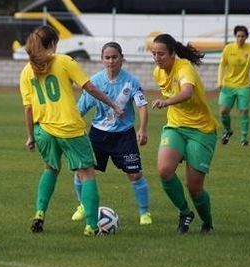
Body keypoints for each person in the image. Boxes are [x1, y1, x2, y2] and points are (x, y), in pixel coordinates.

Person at [20, 25, 124, 237]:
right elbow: (91, 88)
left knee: (50, 169)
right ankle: (92, 227)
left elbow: (28, 108)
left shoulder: (26, 71)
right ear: (51, 44)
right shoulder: (64, 62)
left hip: (43, 130)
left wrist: (31, 136)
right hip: (69, 128)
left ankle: (39, 213)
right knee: (87, 174)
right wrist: (113, 104)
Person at [70, 41, 152, 225]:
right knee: (81, 172)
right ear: (102, 60)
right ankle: (83, 206)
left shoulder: (131, 81)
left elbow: (142, 106)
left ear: (122, 58)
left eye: (115, 57)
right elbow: (80, 110)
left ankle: (144, 213)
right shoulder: (95, 83)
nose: (111, 61)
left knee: (135, 174)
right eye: (107, 57)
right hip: (99, 135)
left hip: (124, 135)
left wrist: (142, 128)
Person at [150, 33, 218, 234]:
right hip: (176, 127)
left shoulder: (184, 67)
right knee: (164, 170)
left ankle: (207, 223)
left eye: (161, 54)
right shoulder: (158, 72)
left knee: (194, 187)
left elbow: (187, 91)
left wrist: (166, 102)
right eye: (154, 54)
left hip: (201, 130)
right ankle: (184, 212)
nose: (157, 58)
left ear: (172, 53)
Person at [217, 25, 250, 146]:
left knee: (244, 111)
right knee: (223, 111)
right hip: (228, 85)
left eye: (243, 36)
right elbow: (222, 65)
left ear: (246, 37)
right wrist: (220, 81)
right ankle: (228, 131)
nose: (240, 38)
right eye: (238, 36)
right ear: (235, 36)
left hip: (244, 86)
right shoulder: (228, 48)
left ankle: (244, 139)